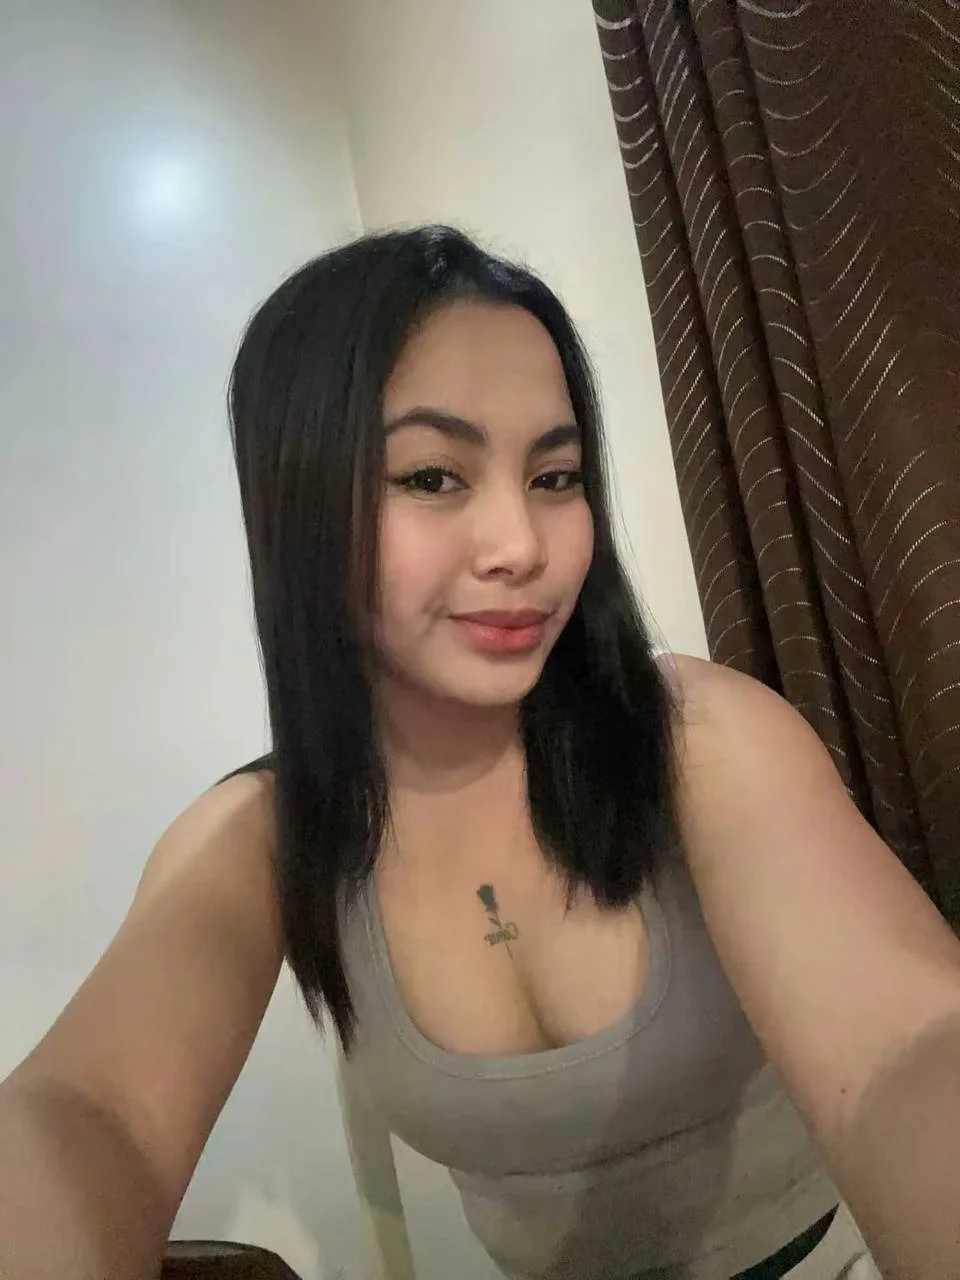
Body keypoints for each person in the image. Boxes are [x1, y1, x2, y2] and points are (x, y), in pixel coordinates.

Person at [2, 226, 959, 1280]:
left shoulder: (701, 736)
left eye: (555, 475)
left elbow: (905, 1045)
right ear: (298, 503)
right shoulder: (264, 836)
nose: (522, 545)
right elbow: (91, 1111)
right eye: (431, 476)